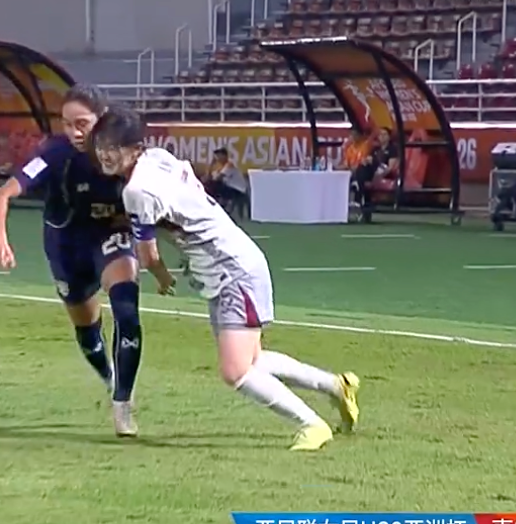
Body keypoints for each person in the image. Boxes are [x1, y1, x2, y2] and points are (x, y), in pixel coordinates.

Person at [88, 106, 360, 451]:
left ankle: (312, 425)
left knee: (236, 371)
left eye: (113, 146)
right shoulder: (157, 158)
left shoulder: (137, 191)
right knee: (253, 361)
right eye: (101, 145)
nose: (105, 153)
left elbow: (148, 254)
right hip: (229, 265)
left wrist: (162, 276)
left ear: (135, 148)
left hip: (232, 271)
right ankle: (335, 385)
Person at [0, 85, 145, 437]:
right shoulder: (55, 153)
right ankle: (109, 377)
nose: (74, 132)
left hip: (110, 236)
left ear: (102, 120)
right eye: (67, 123)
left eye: (82, 123)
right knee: (87, 329)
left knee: (126, 309)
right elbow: (3, 194)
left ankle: (122, 403)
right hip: (66, 247)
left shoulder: (125, 152)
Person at [351, 127, 398, 208]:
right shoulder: (375, 149)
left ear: (389, 137)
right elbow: (369, 158)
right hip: (373, 169)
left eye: (384, 135)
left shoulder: (392, 149)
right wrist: (365, 161)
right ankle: (361, 192)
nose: (382, 136)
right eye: (380, 135)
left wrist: (379, 174)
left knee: (364, 172)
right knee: (361, 167)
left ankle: (359, 195)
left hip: (383, 170)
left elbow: (390, 167)